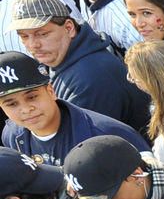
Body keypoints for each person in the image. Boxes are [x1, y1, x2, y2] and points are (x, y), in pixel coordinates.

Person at [0, 51, 147, 164]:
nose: (26, 109)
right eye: (11, 104)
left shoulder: (107, 135)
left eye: (32, 97)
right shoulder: (12, 134)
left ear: (51, 91)